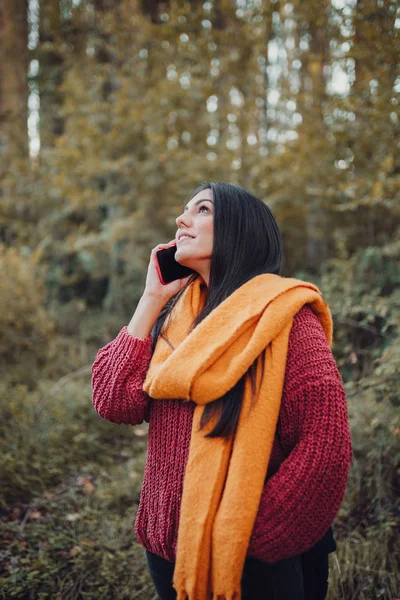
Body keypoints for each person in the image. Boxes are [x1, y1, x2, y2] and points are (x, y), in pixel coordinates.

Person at [91, 182, 352, 600]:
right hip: (168, 547)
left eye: (203, 209)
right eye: (184, 209)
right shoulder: (176, 316)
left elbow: (325, 443)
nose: (182, 219)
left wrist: (251, 535)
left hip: (253, 555)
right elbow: (114, 400)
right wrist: (151, 298)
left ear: (240, 229)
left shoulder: (285, 317)